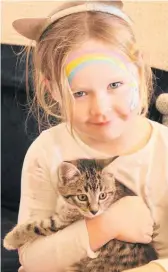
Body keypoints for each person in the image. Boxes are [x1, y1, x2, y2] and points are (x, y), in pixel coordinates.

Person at [11, 1, 168, 272]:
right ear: (53, 90)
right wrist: (105, 225)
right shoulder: (46, 151)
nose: (101, 110)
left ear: (139, 70)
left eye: (115, 85)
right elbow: (32, 260)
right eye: (79, 93)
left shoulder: (164, 151)